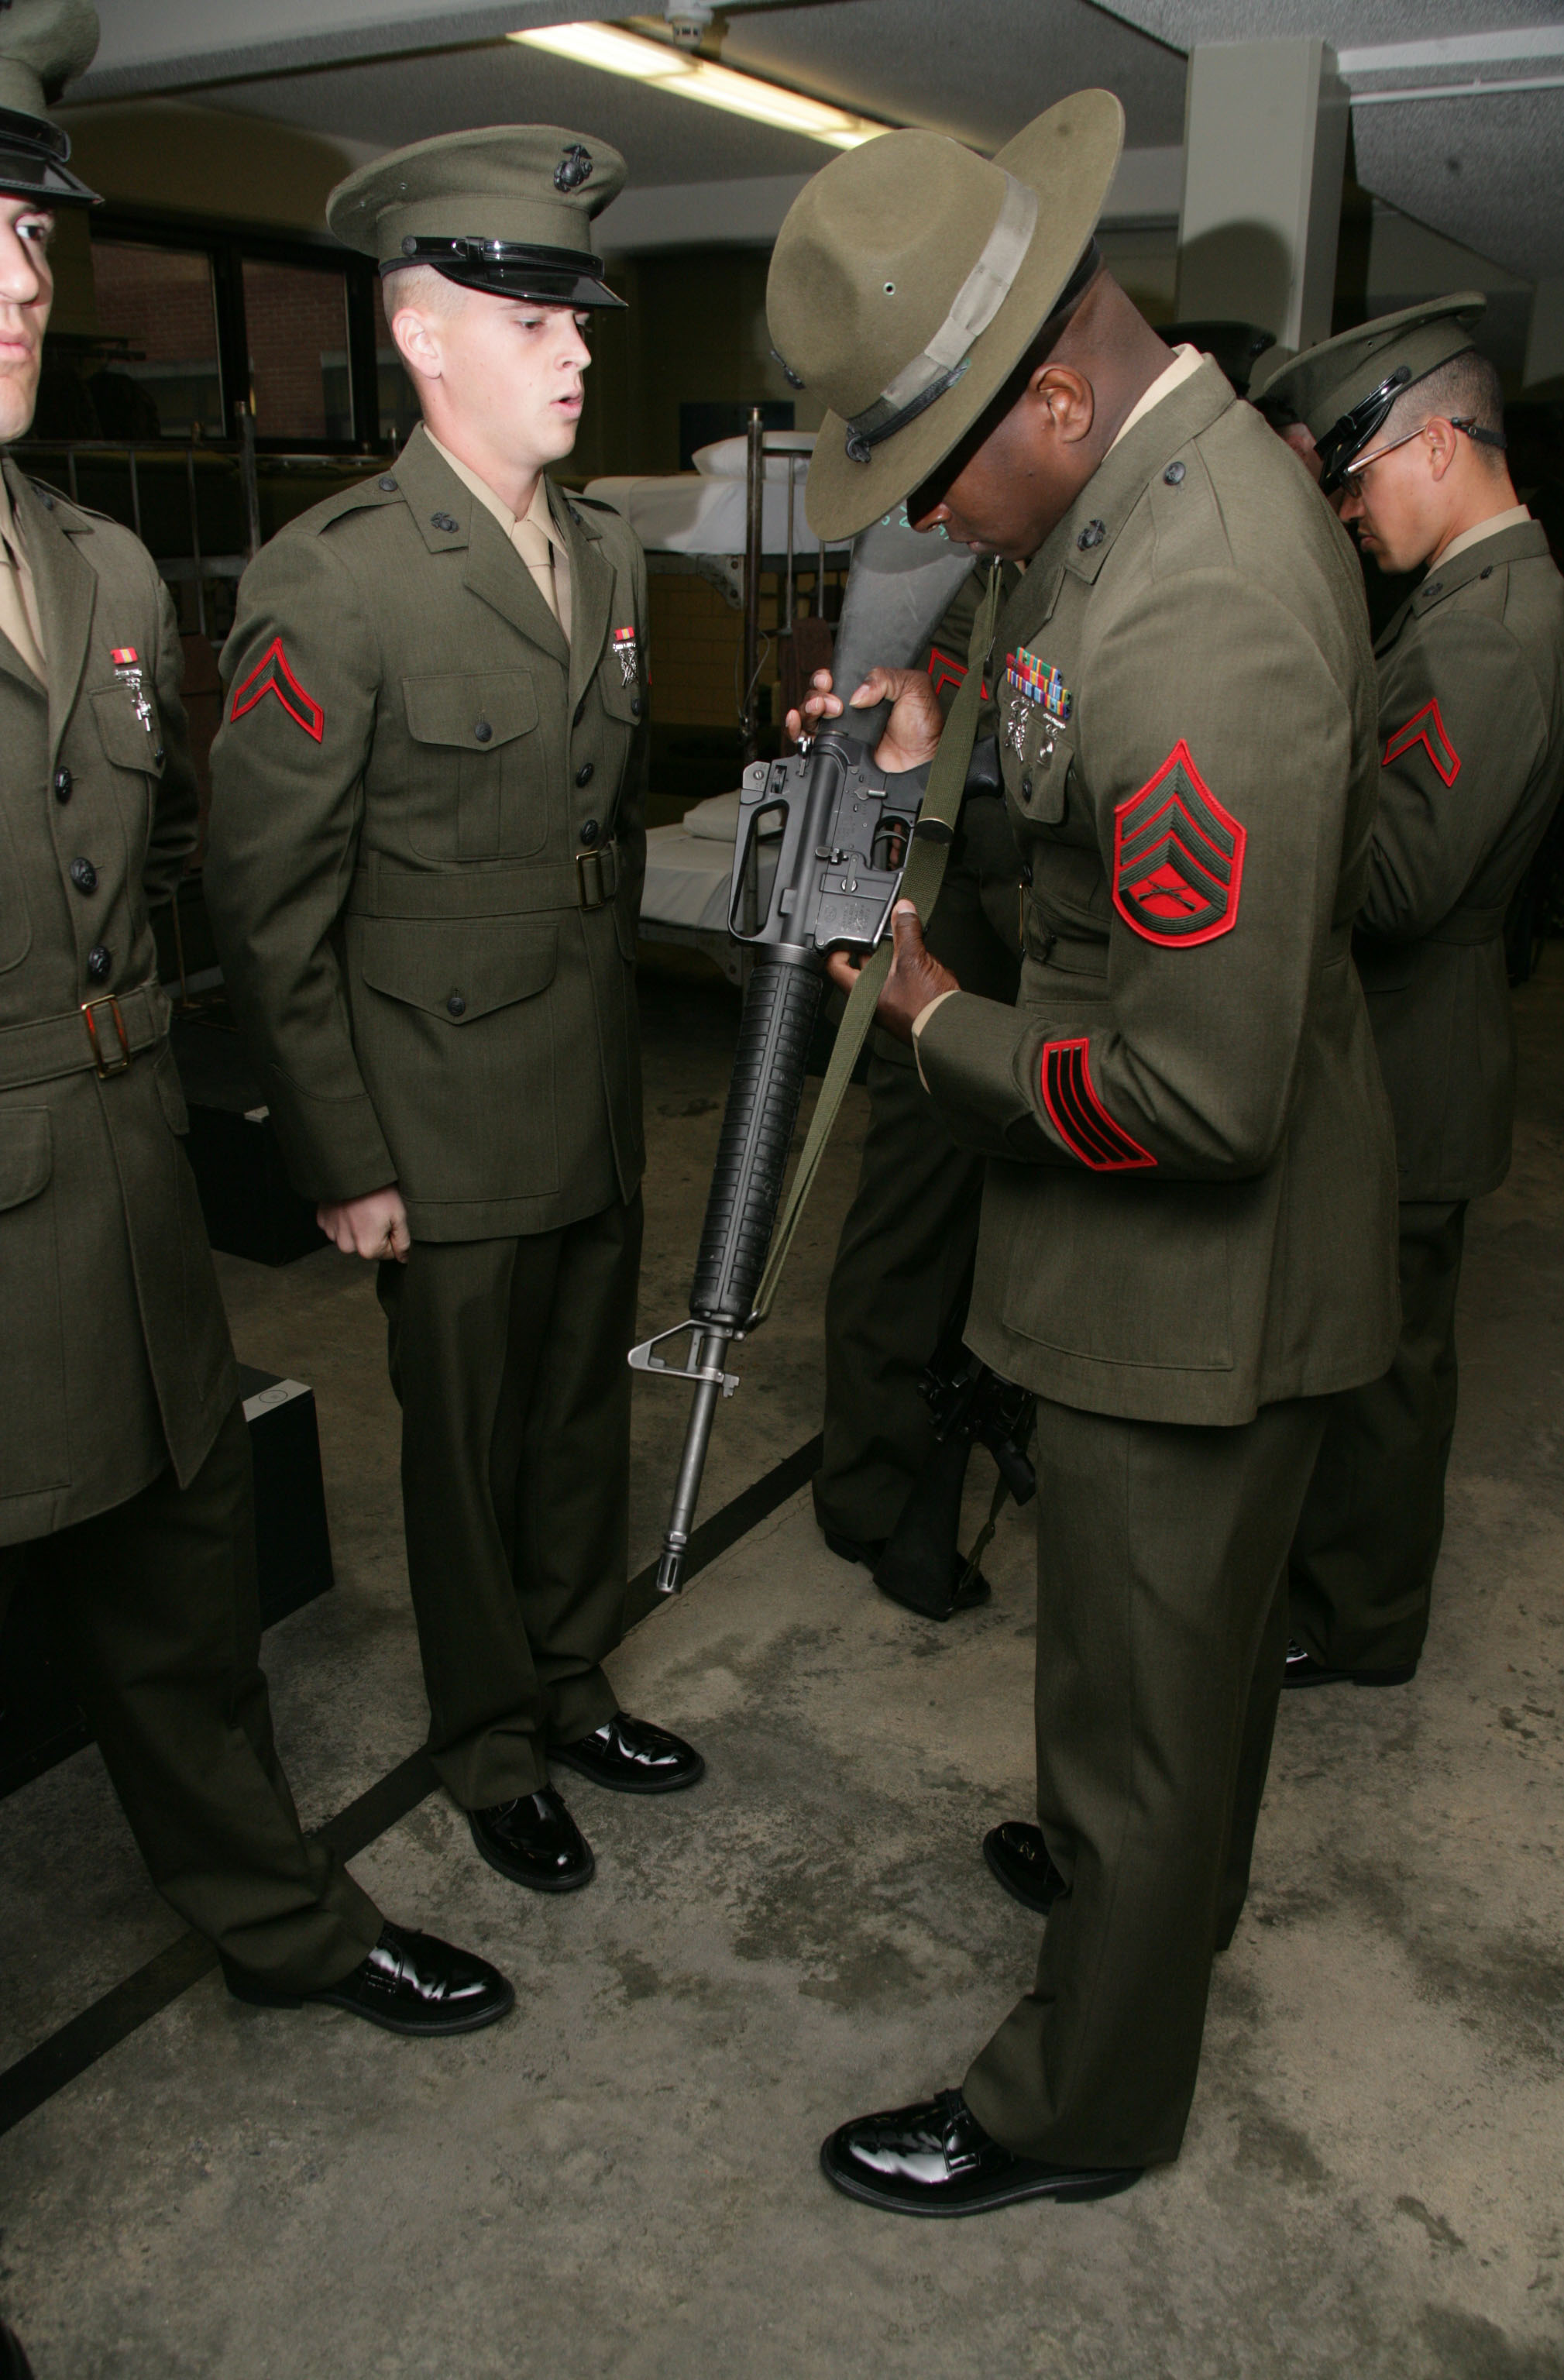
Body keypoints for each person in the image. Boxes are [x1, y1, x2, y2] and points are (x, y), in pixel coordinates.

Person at [768, 89, 1397, 2213]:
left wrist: (937, 1018)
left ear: (1051, 388)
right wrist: (943, 747)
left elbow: (1196, 1095)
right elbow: (1082, 779)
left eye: (937, 475)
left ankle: (1084, 2103)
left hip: (1189, 1286)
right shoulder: (1113, 505)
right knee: (1169, 1700)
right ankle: (1151, 1909)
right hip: (1159, 1269)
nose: (934, 524)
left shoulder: (1198, 591)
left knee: (1136, 1720)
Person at [0, 0, 509, 2038]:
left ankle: (282, 1926)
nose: (24, 278)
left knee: (188, 1617)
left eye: (36, 232)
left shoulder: (105, 571)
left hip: (122, 1219)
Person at [207, 127, 701, 1902]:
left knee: (579, 1418)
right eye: (535, 317)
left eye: (582, 318)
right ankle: (488, 1737)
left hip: (578, 1075)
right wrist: (341, 1152)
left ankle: (572, 1684)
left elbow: (597, 827)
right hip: (431, 1097)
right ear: (424, 339)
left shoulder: (607, 561)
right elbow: (269, 903)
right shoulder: (336, 575)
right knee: (469, 1447)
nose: (580, 349)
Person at [1260, 301, 1564, 1687]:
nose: (1344, 509)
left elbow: (1395, 887)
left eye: (1357, 474)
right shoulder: (1463, 604)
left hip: (1411, 1061)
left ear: (1437, 443)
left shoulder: (1493, 634)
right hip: (1404, 1057)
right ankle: (1347, 1600)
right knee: (1372, 1361)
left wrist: (1284, 779)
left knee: (1384, 1380)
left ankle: (1360, 1625)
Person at [800, 559, 1025, 1615]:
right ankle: (873, 1495)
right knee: (912, 1229)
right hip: (953, 930)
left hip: (1004, 939)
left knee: (966, 1231)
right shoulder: (964, 570)